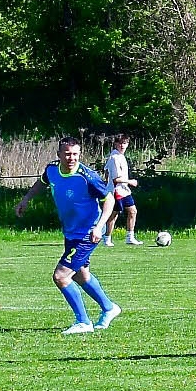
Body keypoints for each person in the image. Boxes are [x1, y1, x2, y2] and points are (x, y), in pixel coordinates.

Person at [15, 139, 119, 334]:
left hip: (88, 233)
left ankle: (83, 322)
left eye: (75, 154)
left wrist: (99, 227)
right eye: (67, 154)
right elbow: (42, 182)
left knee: (61, 276)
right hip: (71, 232)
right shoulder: (52, 170)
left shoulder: (87, 176)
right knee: (80, 275)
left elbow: (109, 200)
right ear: (59, 154)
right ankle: (109, 308)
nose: (72, 158)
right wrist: (26, 199)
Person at [102, 137, 143, 246]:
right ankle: (106, 238)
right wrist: (130, 181)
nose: (122, 145)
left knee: (133, 211)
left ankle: (130, 237)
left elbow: (106, 172)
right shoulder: (114, 158)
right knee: (113, 214)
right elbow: (115, 179)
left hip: (124, 190)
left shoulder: (121, 156)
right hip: (116, 191)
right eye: (120, 143)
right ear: (115, 144)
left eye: (125, 143)